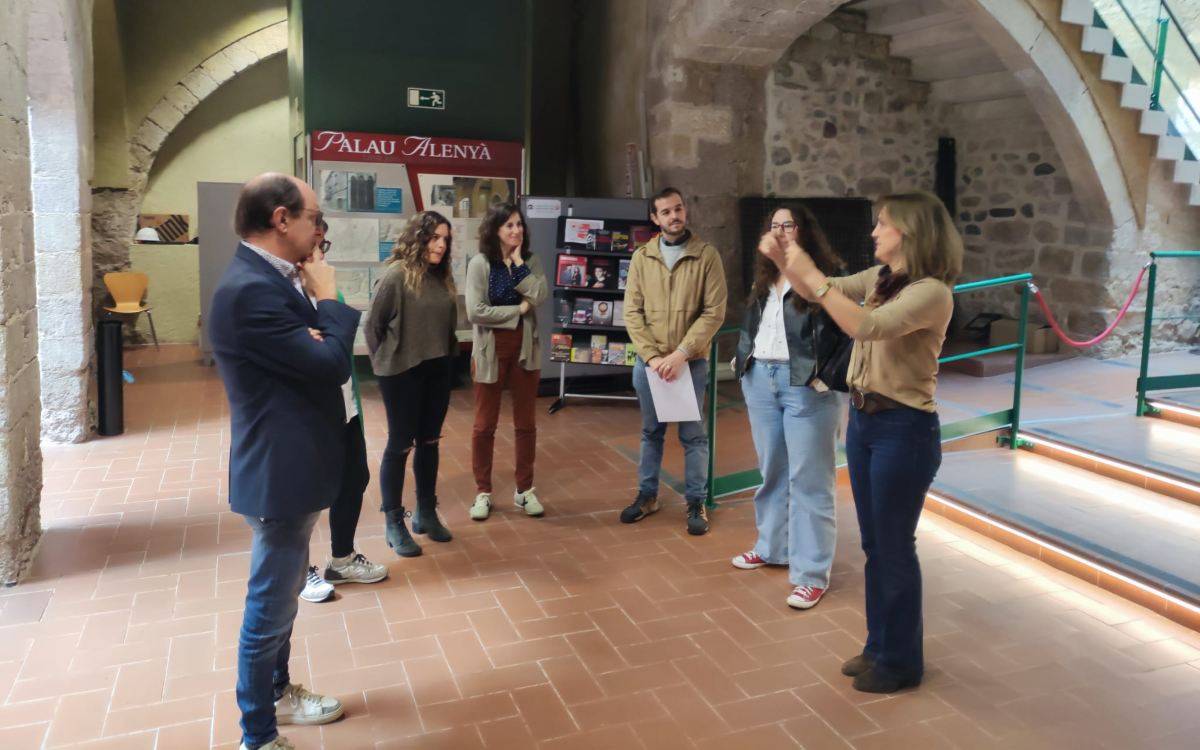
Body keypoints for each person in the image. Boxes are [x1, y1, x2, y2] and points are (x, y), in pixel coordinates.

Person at [766, 190, 962, 694]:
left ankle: (901, 663)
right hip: (866, 423)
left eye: (882, 224)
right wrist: (786, 261)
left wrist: (805, 264)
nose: (873, 233)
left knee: (895, 546)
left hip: (905, 430)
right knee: (876, 544)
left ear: (910, 233)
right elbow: (817, 291)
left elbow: (866, 325)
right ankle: (879, 646)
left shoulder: (932, 292)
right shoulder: (880, 279)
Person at [209, 174, 351, 750]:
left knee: (288, 589)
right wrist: (331, 299)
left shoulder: (270, 280)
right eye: (315, 217)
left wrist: (317, 329)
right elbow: (330, 364)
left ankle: (277, 695)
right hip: (279, 470)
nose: (321, 230)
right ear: (281, 219)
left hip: (296, 461)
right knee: (270, 605)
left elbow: (315, 351)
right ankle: (259, 735)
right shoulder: (249, 290)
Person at [732, 206, 846, 610]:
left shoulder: (824, 275)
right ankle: (772, 547)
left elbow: (849, 332)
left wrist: (826, 375)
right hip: (761, 379)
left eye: (788, 224)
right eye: (774, 225)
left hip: (807, 387)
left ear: (804, 232)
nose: (780, 231)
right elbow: (755, 323)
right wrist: (742, 361)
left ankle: (811, 574)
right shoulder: (765, 277)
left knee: (810, 481)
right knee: (772, 472)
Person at [621, 187, 728, 535]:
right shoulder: (642, 257)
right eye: (665, 212)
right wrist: (653, 358)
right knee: (651, 433)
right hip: (649, 366)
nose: (674, 216)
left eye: (678, 209)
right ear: (655, 218)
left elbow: (714, 312)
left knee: (693, 437)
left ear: (685, 211)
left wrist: (681, 354)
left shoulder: (706, 256)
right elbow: (631, 312)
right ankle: (647, 496)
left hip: (690, 364)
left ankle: (696, 500)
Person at [299, 220, 389, 603]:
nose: (320, 254)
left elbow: (333, 343)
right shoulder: (283, 293)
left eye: (324, 245)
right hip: (308, 413)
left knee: (354, 477)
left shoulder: (321, 286)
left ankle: (343, 558)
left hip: (344, 401)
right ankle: (298, 570)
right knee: (302, 492)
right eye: (313, 246)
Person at [365, 211, 459, 556]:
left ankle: (426, 512)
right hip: (402, 372)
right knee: (400, 444)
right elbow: (372, 326)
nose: (440, 244)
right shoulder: (396, 275)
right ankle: (394, 521)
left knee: (430, 442)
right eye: (434, 237)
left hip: (437, 369)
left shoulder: (442, 276)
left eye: (445, 239)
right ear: (418, 238)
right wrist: (383, 365)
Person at [465, 202, 549, 520]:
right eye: (509, 225)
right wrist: (518, 311)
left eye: (519, 225)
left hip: (525, 349)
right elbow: (476, 311)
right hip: (490, 350)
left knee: (526, 424)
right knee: (484, 425)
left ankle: (524, 490)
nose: (516, 230)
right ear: (495, 230)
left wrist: (518, 267)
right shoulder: (480, 264)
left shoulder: (529, 261)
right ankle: (482, 492)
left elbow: (539, 295)